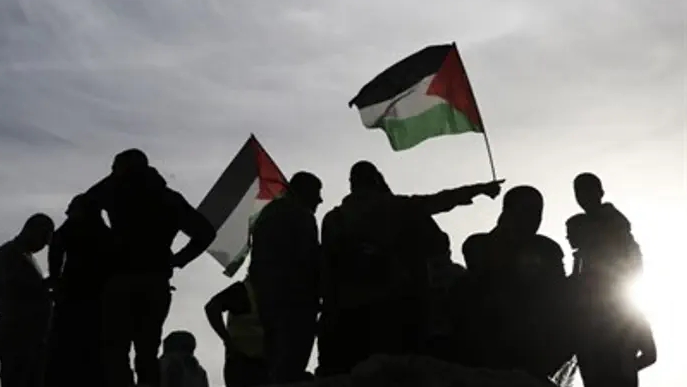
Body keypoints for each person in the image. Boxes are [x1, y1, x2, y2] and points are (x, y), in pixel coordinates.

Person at [317, 161, 502, 376]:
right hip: (389, 309)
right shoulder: (393, 207)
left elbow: (326, 268)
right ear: (377, 180)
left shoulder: (333, 218)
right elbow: (439, 201)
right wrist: (480, 189)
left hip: (344, 312)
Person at [85, 148, 217, 387]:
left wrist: (104, 239)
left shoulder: (115, 191)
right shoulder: (168, 198)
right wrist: (178, 259)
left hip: (122, 280)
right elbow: (206, 232)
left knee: (116, 350)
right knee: (146, 353)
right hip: (154, 282)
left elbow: (84, 204)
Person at [456, 186, 572, 380]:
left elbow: (559, 295)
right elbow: (485, 281)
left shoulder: (547, 249)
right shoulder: (478, 244)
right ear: (507, 212)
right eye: (526, 212)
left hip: (536, 342)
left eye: (538, 214)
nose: (534, 220)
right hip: (489, 337)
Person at [566, 173, 656, 387]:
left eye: (587, 190)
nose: (582, 197)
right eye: (578, 192)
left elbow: (626, 271)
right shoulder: (588, 241)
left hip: (612, 315)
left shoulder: (612, 226)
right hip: (594, 319)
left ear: (600, 192)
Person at [249, 171, 323, 384]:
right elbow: (307, 259)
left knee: (277, 361)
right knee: (290, 365)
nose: (320, 199)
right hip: (295, 300)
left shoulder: (270, 213)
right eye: (317, 192)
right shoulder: (300, 215)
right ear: (305, 191)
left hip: (269, 299)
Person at [44, 194, 112, 387]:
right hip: (93, 303)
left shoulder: (71, 230)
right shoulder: (106, 235)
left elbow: (56, 247)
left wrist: (56, 281)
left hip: (77, 300)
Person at [0, 213, 55, 387]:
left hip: (32, 337)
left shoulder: (26, 257)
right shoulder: (9, 253)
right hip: (18, 335)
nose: (43, 245)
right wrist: (45, 288)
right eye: (43, 239)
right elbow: (15, 287)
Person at [205, 276, 269, 387]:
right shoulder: (242, 290)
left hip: (263, 362)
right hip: (243, 361)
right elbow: (211, 307)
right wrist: (228, 341)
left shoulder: (270, 293)